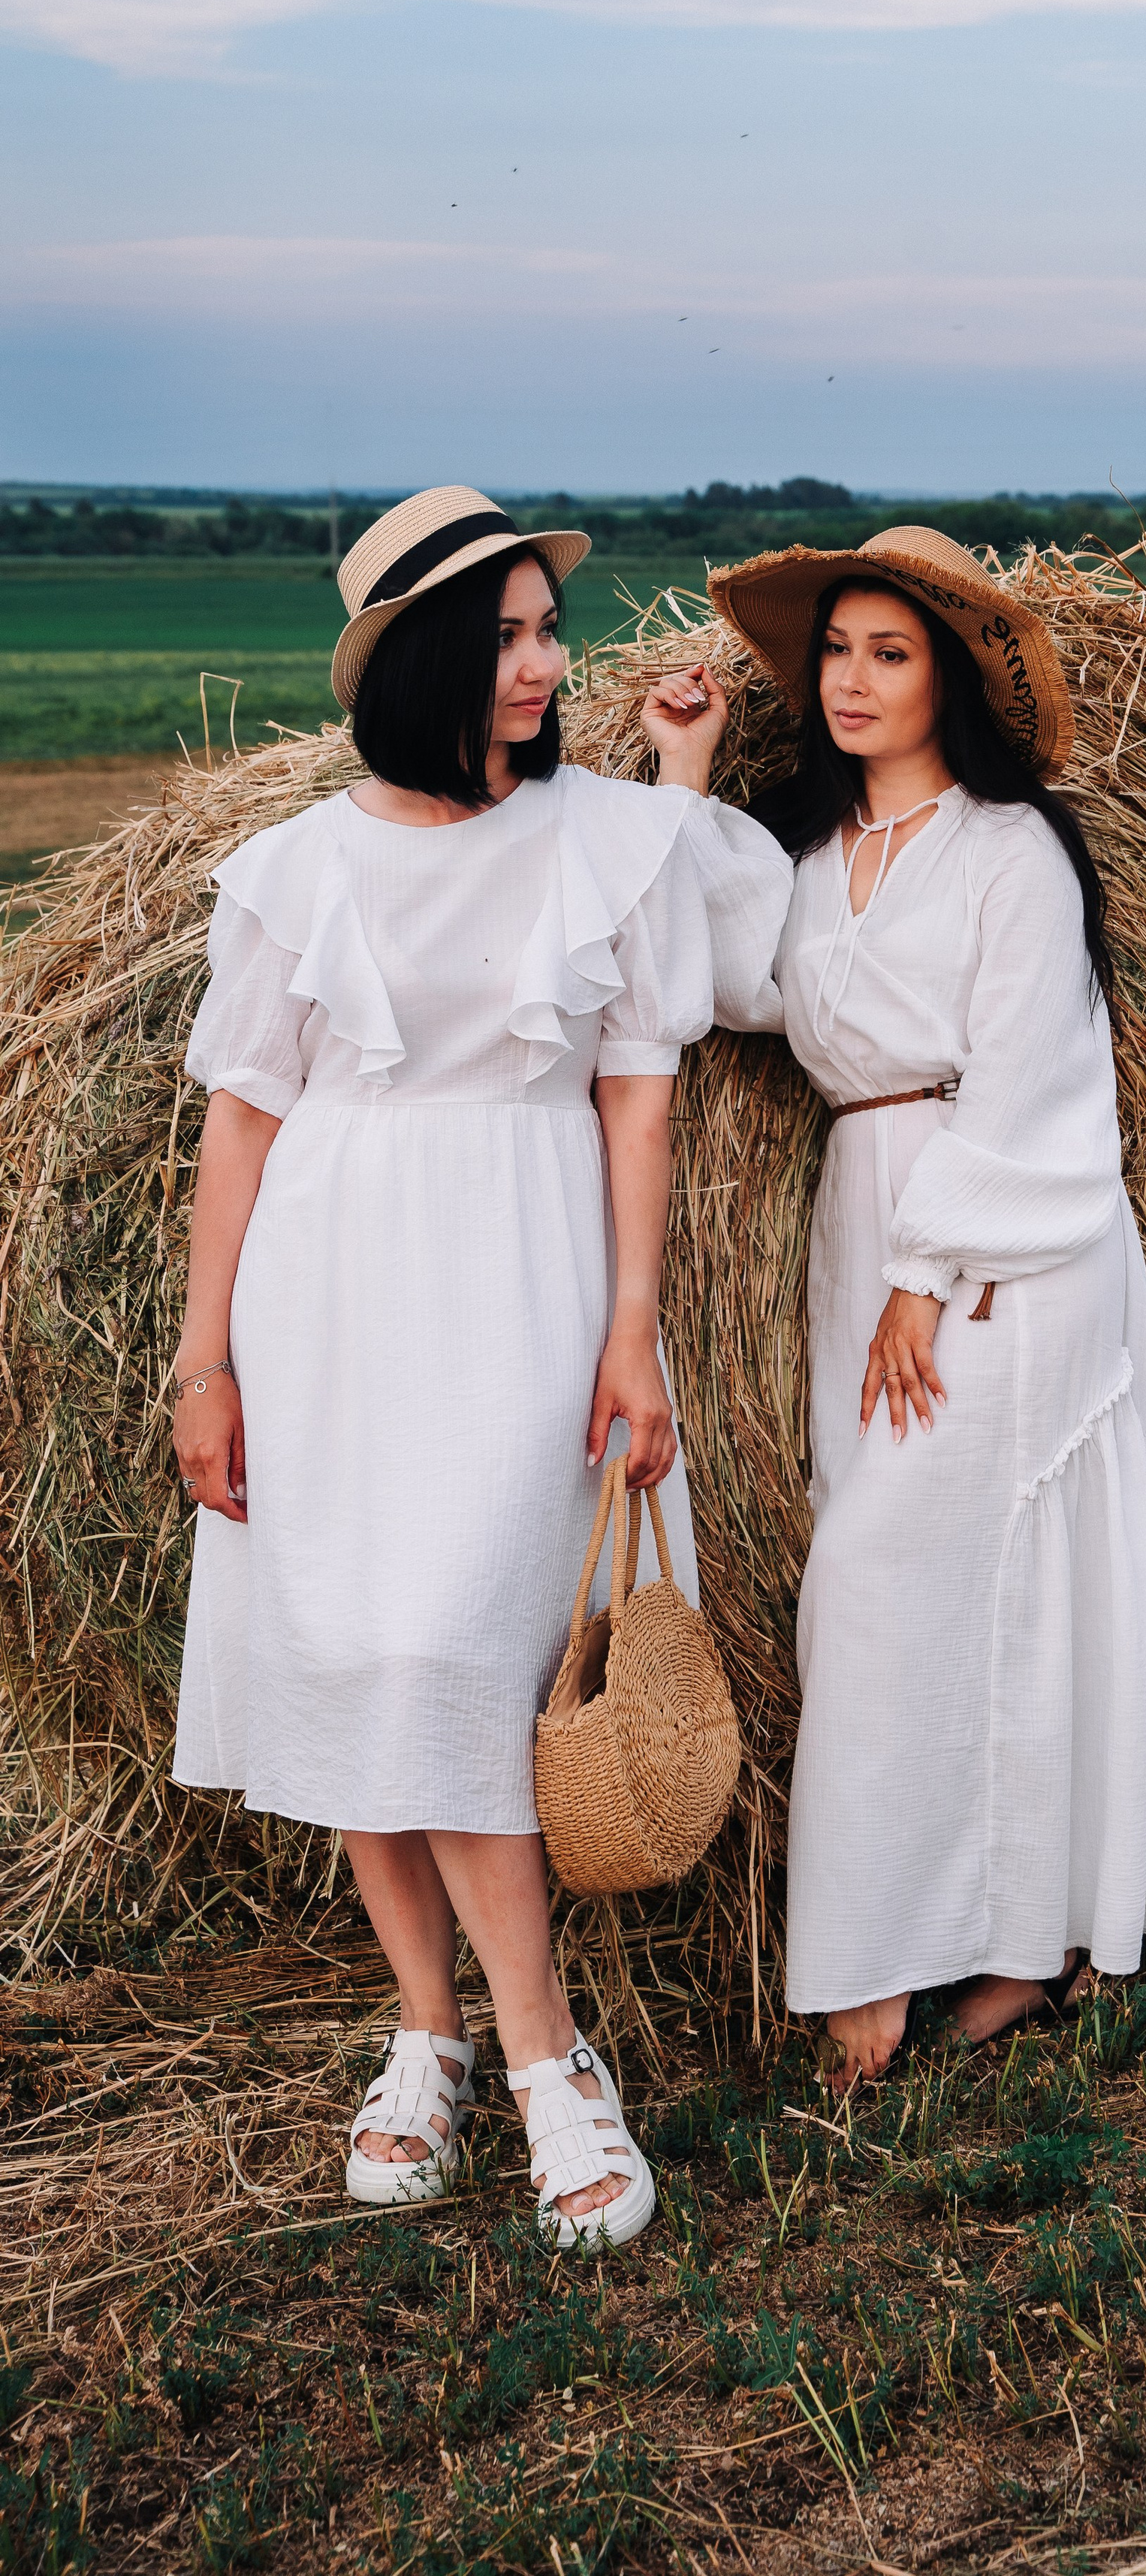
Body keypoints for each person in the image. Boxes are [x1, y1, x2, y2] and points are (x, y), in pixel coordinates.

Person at [170, 485, 791, 2240]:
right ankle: (436, 2041)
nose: (546, 663)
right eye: (511, 634)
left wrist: (636, 1328)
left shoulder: (595, 835)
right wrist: (202, 1363)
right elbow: (241, 1125)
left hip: (519, 1272)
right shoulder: (295, 872)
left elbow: (640, 1092)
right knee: (359, 1651)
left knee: (456, 1650)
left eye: (546, 628)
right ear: (431, 655)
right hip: (330, 1288)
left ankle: (540, 2058)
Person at [704, 527, 1146, 2095]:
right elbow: (711, 980)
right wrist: (678, 769)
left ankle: (900, 1957)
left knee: (900, 1573)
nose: (849, 679)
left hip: (1002, 1252)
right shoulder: (814, 860)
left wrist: (928, 1277)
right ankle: (1003, 1938)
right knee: (942, 1578)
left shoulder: (1009, 852)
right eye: (833, 650)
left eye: (886, 653)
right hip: (868, 1216)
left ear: (948, 679)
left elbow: (1040, 1082)